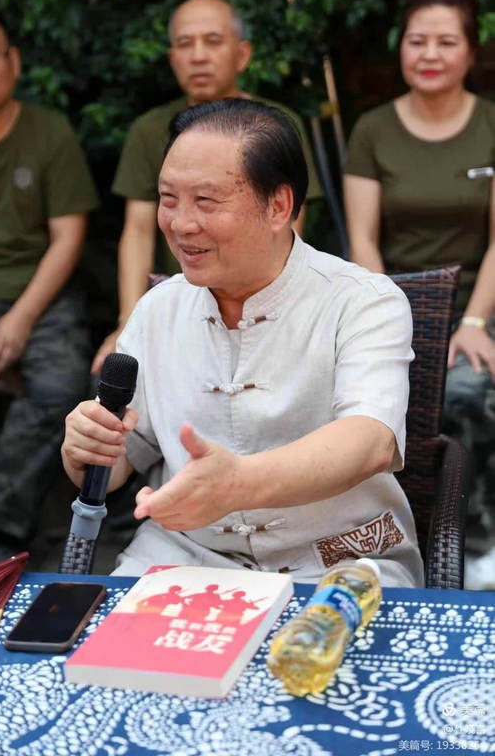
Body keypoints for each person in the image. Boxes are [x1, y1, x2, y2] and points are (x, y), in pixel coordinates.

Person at [62, 98, 423, 588]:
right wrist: (85, 448)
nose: (181, 223)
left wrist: (238, 483)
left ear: (278, 206)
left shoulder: (364, 301)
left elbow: (370, 440)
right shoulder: (158, 309)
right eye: (169, 199)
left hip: (339, 561)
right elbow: (122, 459)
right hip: (187, 556)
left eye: (206, 201)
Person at [343, 0, 495, 568]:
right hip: (388, 301)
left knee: (464, 391)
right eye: (417, 41)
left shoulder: (490, 124)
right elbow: (363, 240)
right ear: (401, 48)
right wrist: (390, 321)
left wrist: (474, 323)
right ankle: (382, 539)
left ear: (471, 52)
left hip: (479, 306)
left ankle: (473, 544)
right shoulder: (373, 129)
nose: (430, 54)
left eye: (446, 42)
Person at [91, 0, 321, 373]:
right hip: (181, 295)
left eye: (213, 41)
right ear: (172, 58)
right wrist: (128, 321)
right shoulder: (150, 130)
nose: (198, 56)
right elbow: (138, 230)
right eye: (185, 44)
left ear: (242, 54)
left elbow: (288, 230)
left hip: (262, 299)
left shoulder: (277, 126)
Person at [0, 8, 99, 568]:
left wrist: (19, 320)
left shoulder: (48, 133)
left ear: (14, 63)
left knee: (64, 384)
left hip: (40, 294)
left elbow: (68, 236)